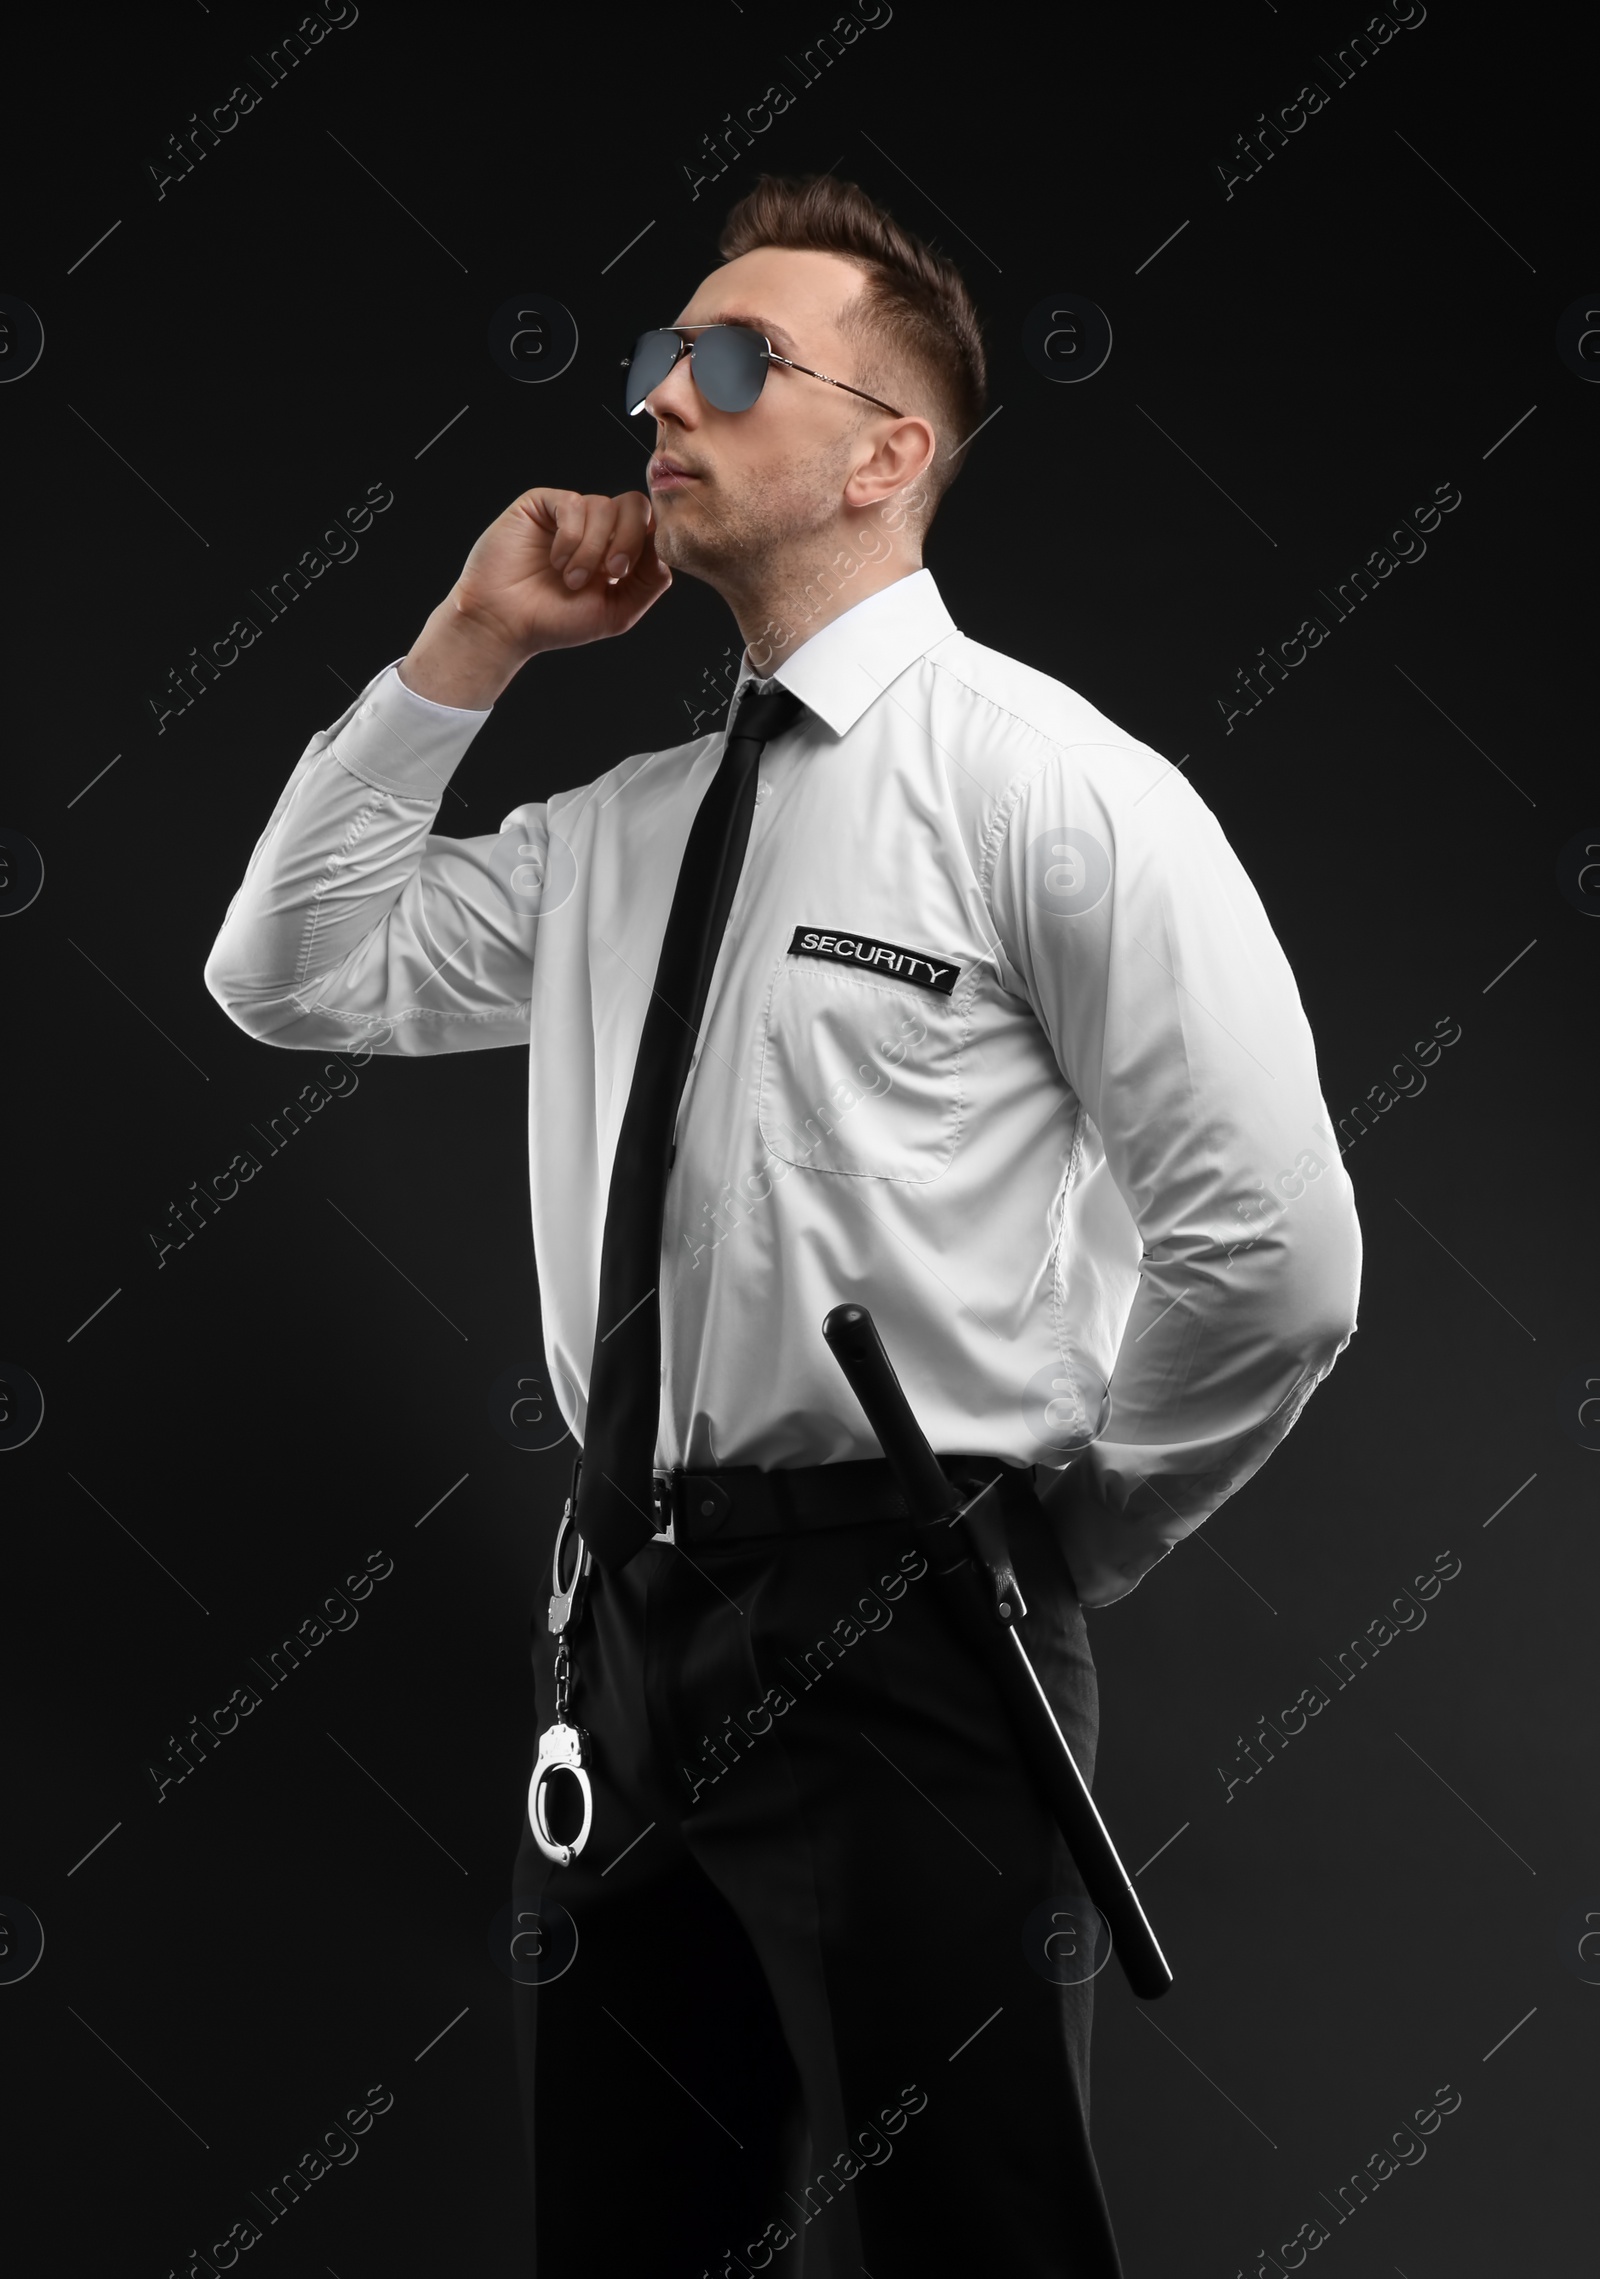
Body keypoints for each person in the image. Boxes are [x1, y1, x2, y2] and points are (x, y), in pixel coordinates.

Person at [204, 173, 1361, 2277]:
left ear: (884, 448)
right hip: (620, 1627)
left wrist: (1056, 1533)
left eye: (726, 363)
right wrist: (465, 649)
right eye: (658, 359)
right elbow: (290, 972)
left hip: (909, 1619)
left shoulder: (1048, 792)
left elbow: (1273, 1256)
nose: (660, 395)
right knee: (627, 2236)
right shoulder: (619, 837)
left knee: (968, 2235)